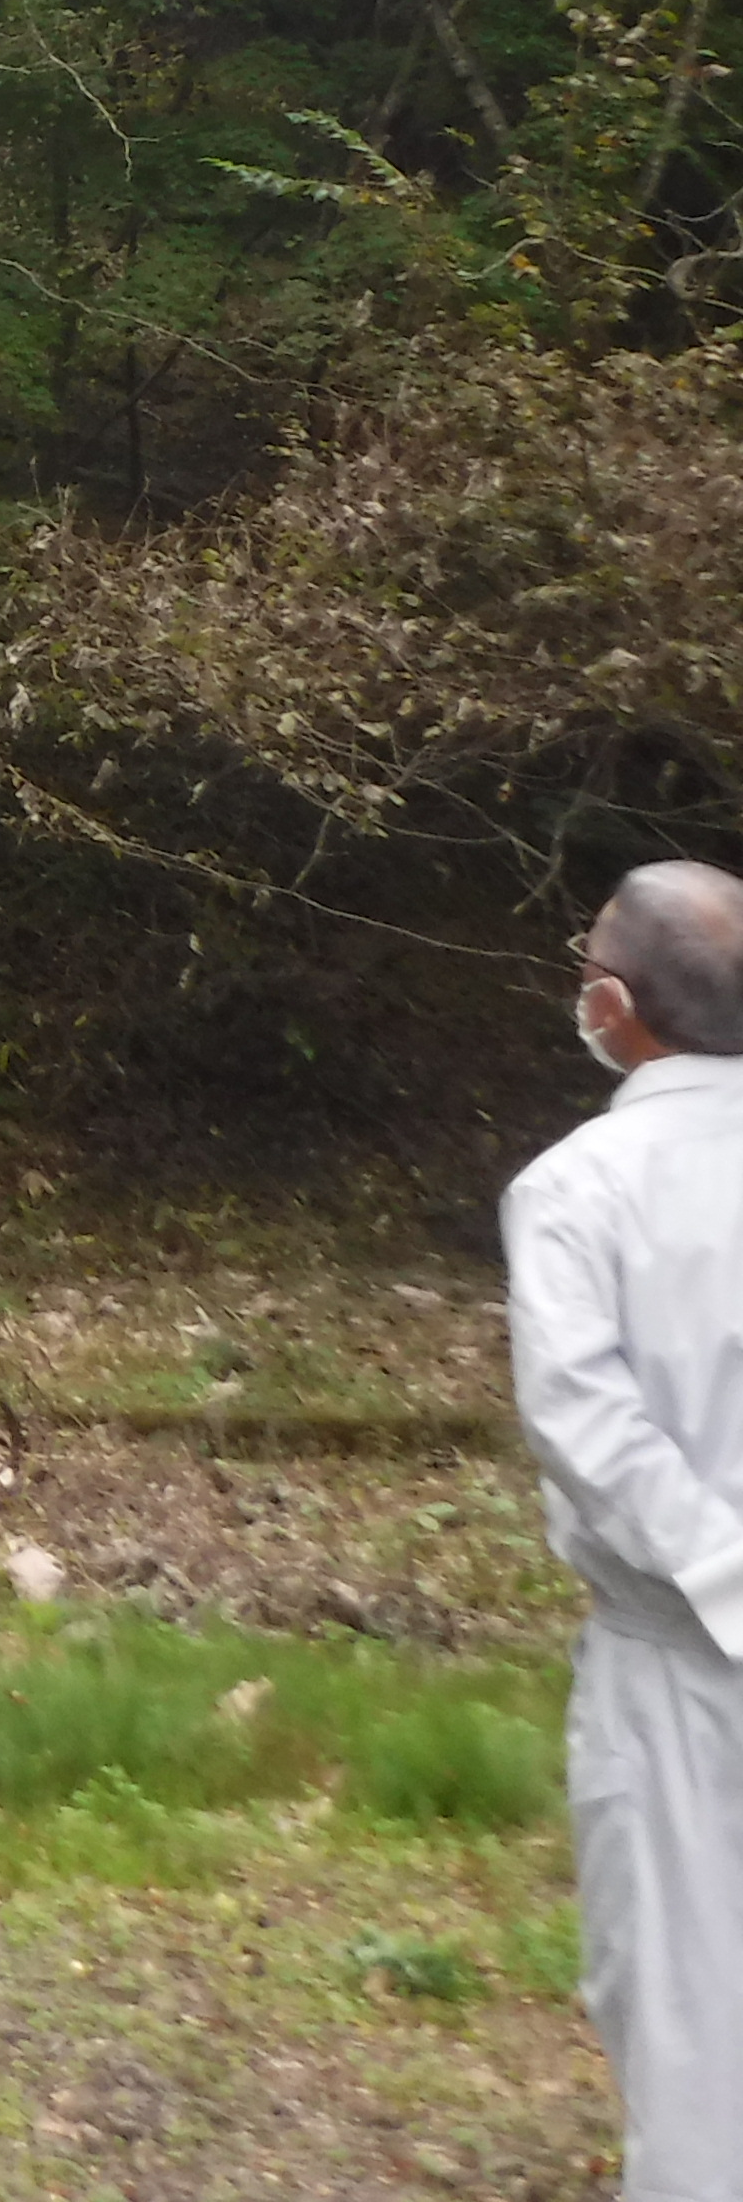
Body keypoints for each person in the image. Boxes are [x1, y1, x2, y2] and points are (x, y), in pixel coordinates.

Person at [504, 855, 743, 2202]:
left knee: (690, 2006)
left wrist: (723, 1573)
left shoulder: (575, 1190)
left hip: (676, 1657)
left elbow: (589, 1431)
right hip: (683, 1630)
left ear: (614, 1004)